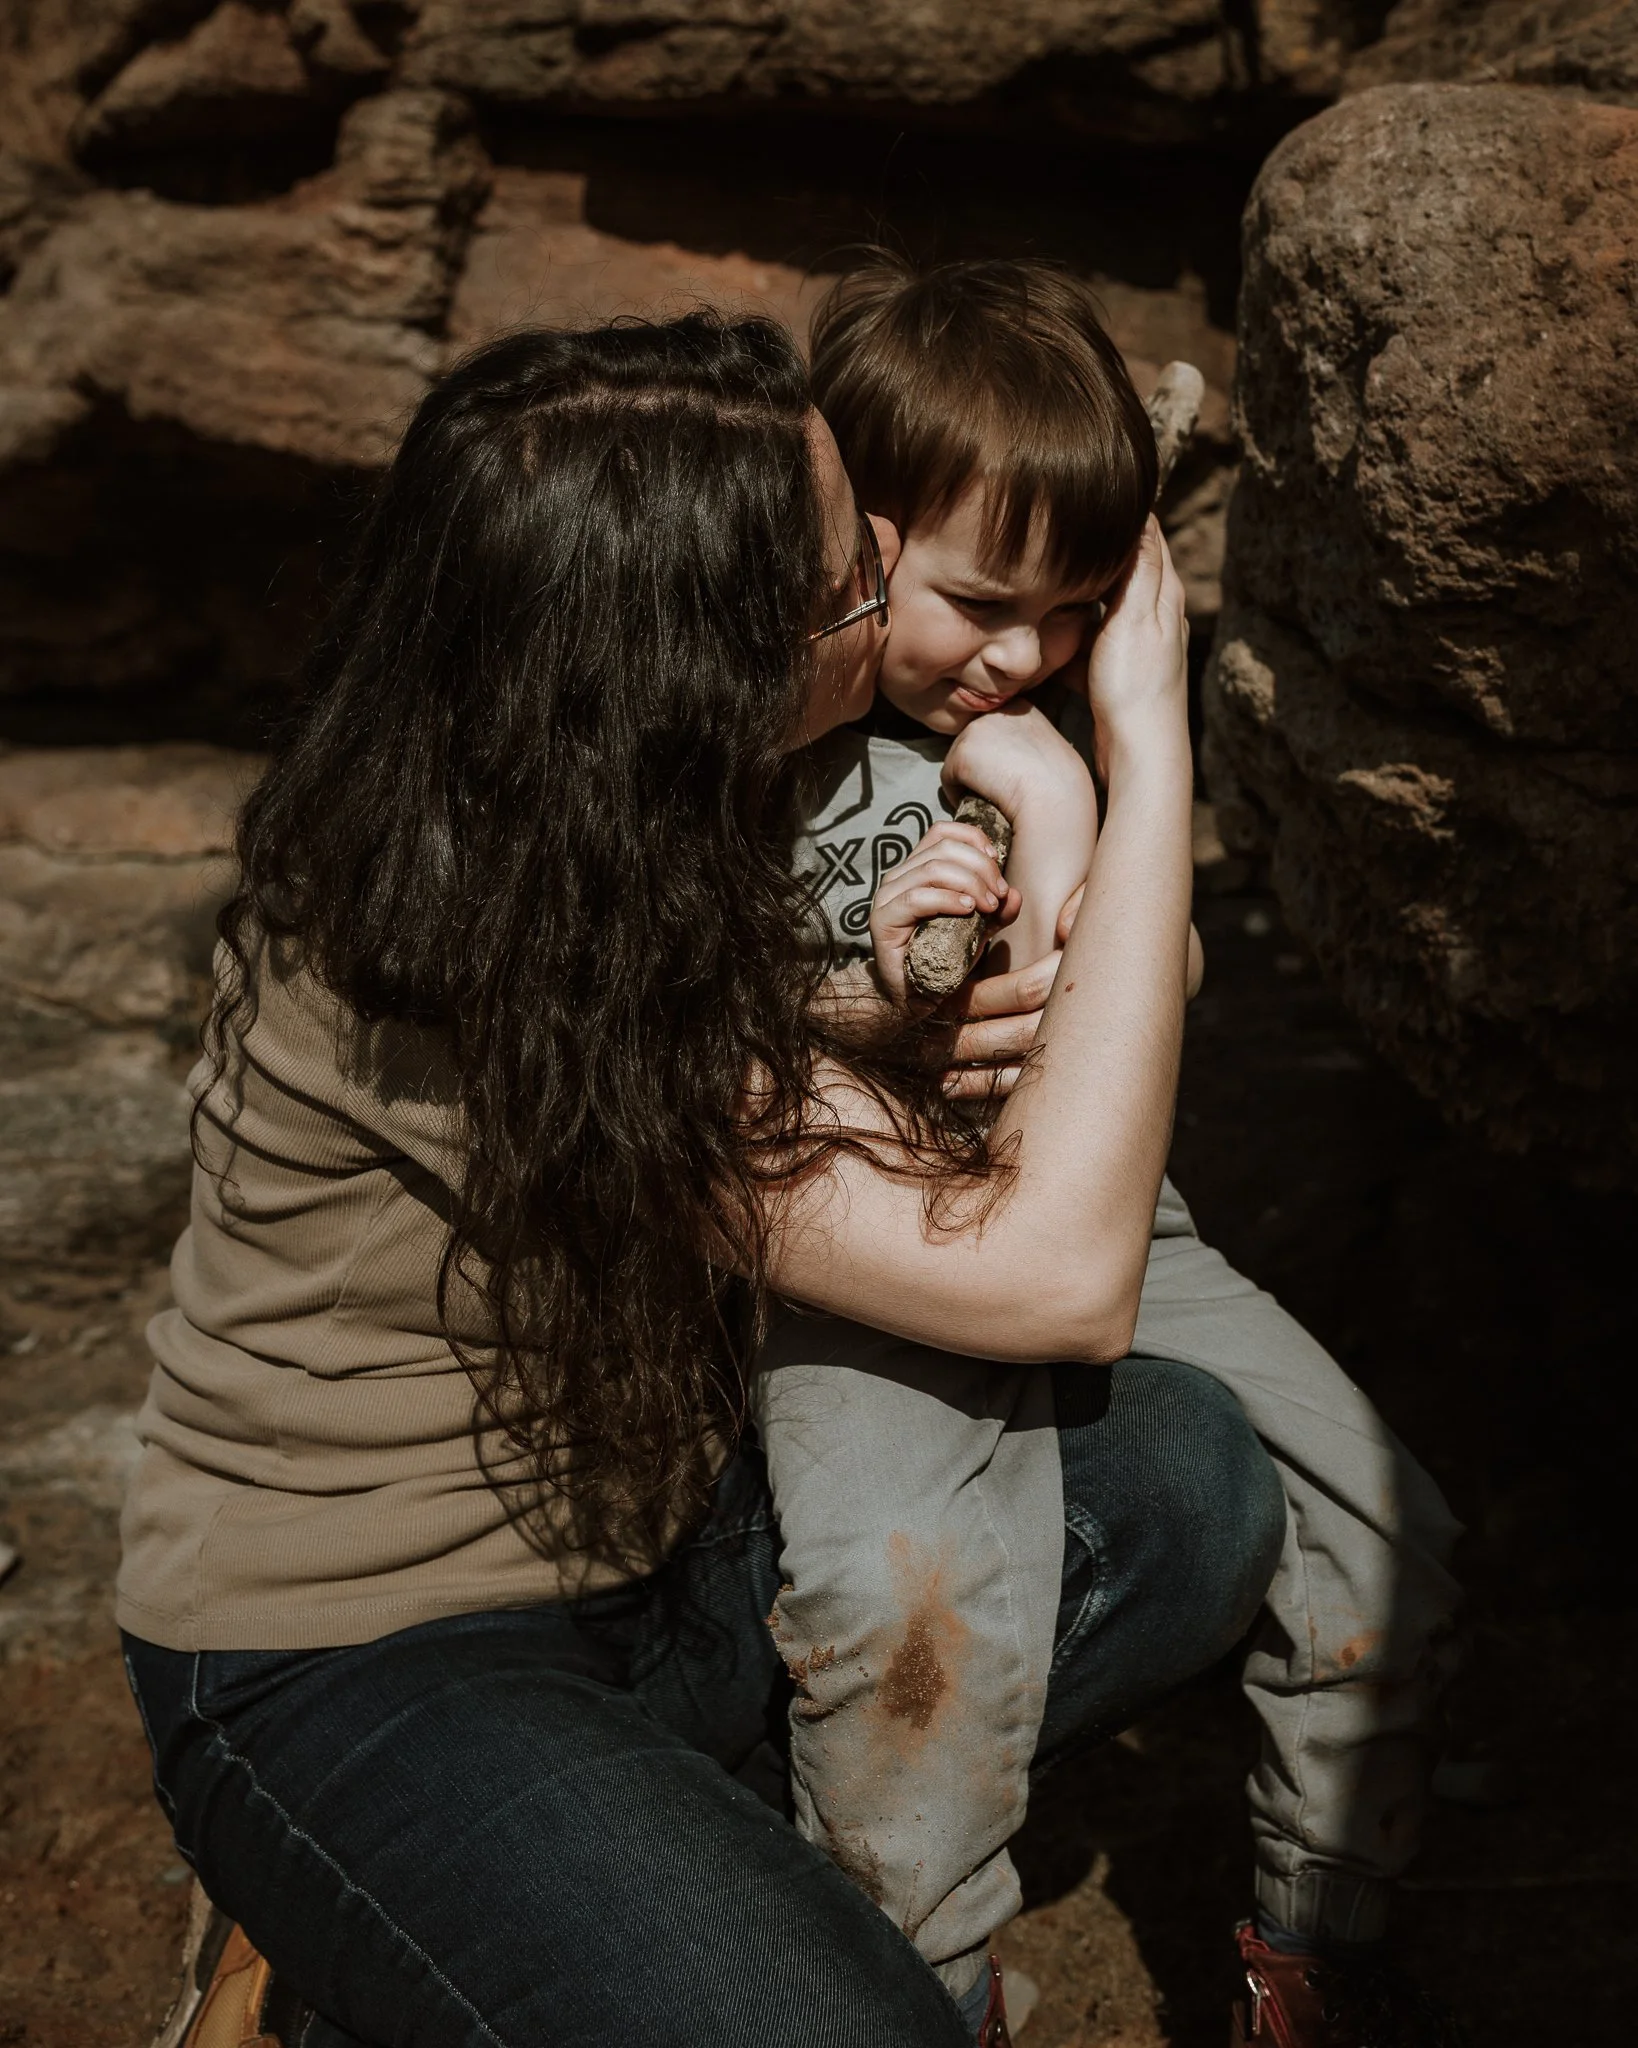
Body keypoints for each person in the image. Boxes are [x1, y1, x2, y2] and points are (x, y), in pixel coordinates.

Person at [117, 312, 1285, 2048]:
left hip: (657, 1555)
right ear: (688, 665)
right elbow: (1049, 1271)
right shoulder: (454, 952)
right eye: (846, 583)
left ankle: (526, 1909)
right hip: (366, 1658)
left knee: (1180, 1480)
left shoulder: (632, 801)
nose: (891, 594)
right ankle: (358, 1906)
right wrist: (1145, 737)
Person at [760, 256, 1463, 2047]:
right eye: (981, 602)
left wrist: (1077, 806)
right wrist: (881, 985)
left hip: (1102, 1216)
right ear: (855, 536)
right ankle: (910, 1987)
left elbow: (1150, 981)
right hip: (861, 1239)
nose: (1021, 654)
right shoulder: (760, 731)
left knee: (1382, 1525)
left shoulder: (1037, 719)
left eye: (1076, 612)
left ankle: (1311, 1938)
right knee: (905, 1607)